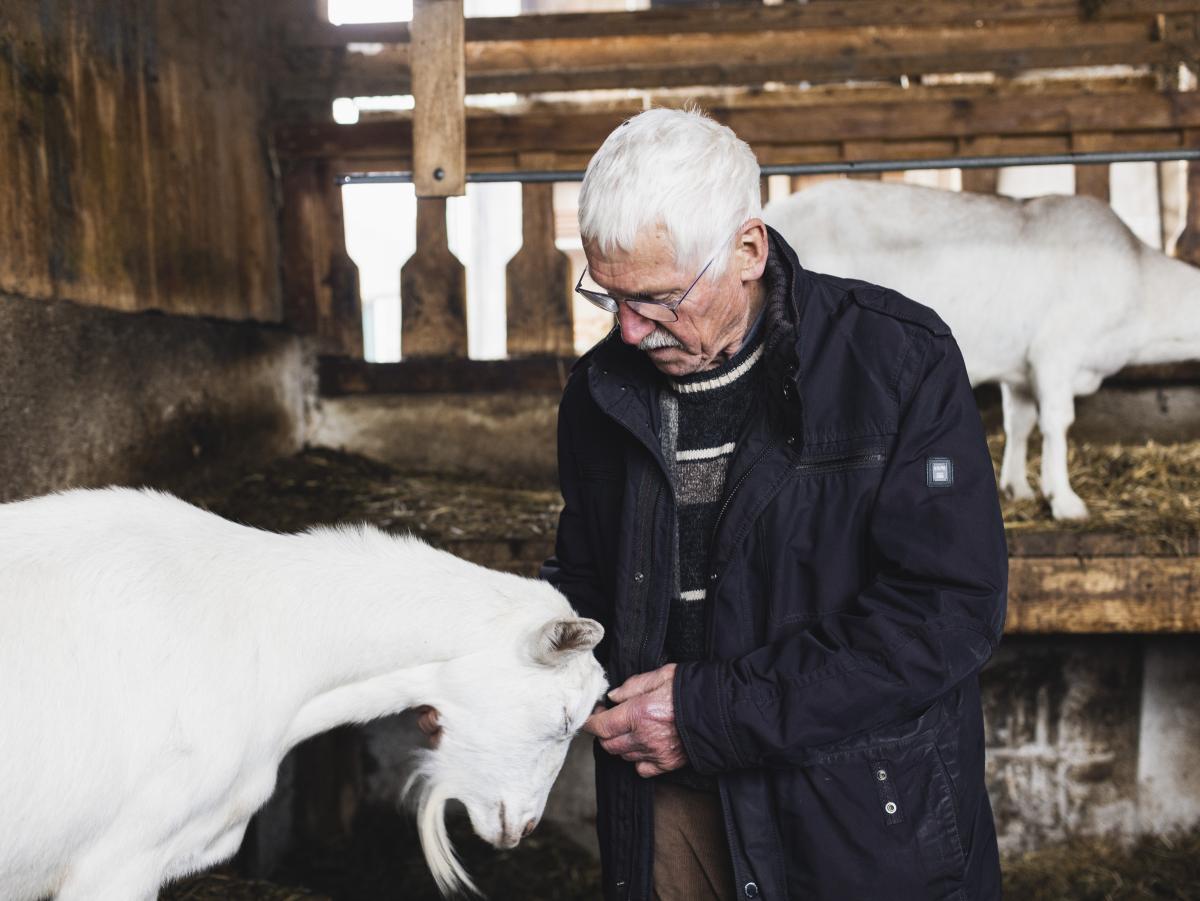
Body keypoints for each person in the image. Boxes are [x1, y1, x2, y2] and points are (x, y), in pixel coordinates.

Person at [540, 107, 1008, 901]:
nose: (626, 330)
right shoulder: (601, 393)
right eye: (607, 294)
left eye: (655, 299)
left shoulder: (895, 361)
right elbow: (588, 581)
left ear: (748, 250)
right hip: (672, 812)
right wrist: (499, 665)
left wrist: (708, 713)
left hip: (857, 816)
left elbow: (945, 612)